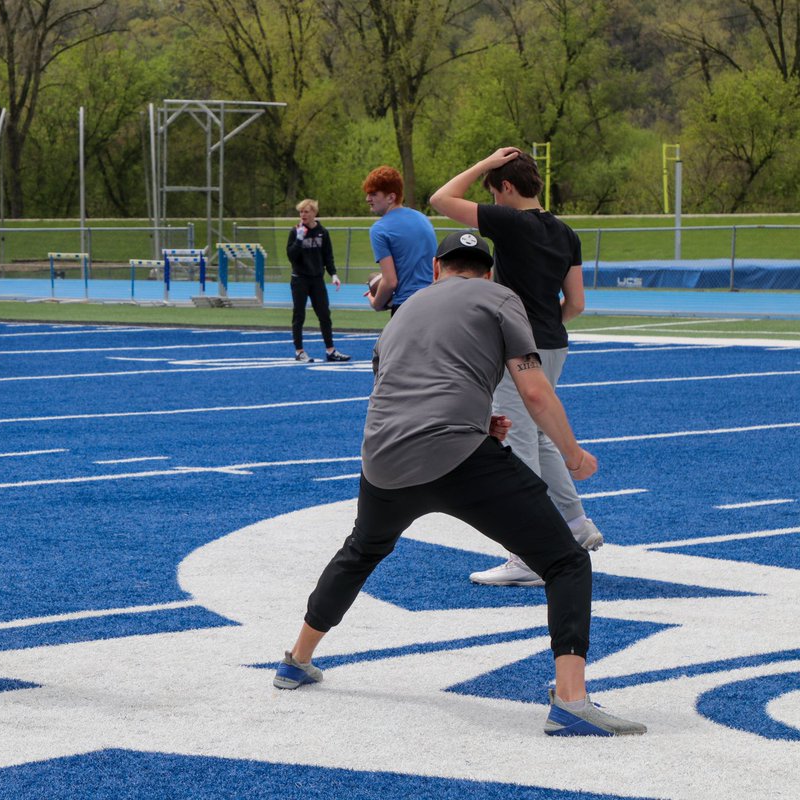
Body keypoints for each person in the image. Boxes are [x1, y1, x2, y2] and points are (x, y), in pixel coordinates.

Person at [272, 231, 646, 737]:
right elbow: (533, 391)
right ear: (487, 272)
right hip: (458, 457)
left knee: (361, 550)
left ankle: (297, 658)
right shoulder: (500, 298)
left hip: (384, 455)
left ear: (436, 268)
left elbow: (397, 387)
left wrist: (476, 421)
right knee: (565, 561)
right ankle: (571, 701)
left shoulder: (403, 310)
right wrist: (572, 455)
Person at [430, 147, 603, 587]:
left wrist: (483, 163)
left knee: (517, 445)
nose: (494, 200)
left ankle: (527, 555)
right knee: (540, 436)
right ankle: (575, 523)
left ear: (506, 186)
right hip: (554, 343)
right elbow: (577, 303)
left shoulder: (510, 221)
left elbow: (441, 199)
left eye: (494, 190)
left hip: (518, 347)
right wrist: (544, 328)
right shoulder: (566, 232)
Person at [361, 166, 436, 314]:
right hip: (433, 300)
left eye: (373, 194)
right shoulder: (423, 218)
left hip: (406, 305)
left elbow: (390, 282)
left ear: (391, 197)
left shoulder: (379, 228)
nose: (367, 199)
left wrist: (376, 302)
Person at [285, 199, 350, 363]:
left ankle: (330, 350)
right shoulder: (295, 231)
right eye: (301, 212)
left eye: (306, 211)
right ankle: (299, 351)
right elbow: (291, 256)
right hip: (300, 279)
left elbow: (328, 255)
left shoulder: (322, 232)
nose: (303, 215)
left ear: (314, 212)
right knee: (299, 315)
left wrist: (333, 274)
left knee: (324, 315)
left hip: (317, 280)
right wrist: (299, 240)